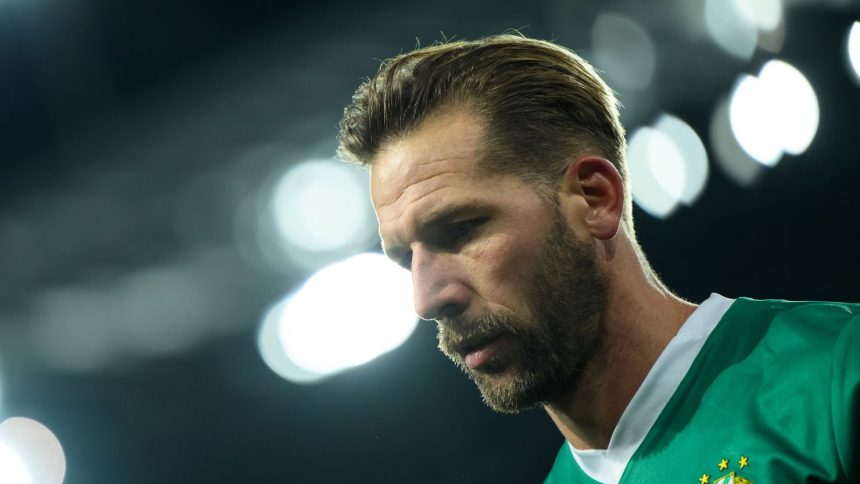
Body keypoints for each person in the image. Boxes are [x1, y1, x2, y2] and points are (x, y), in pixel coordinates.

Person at [335, 34, 859, 483]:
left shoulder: (835, 377)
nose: (427, 299)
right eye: (405, 258)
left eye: (460, 230)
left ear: (594, 198)